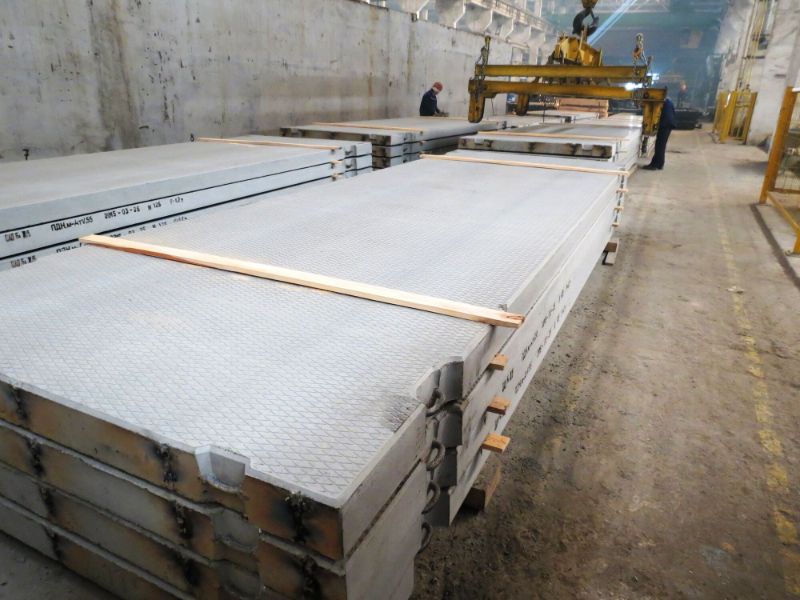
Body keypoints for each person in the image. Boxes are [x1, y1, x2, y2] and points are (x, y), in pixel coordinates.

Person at [644, 93, 677, 170]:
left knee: (660, 145)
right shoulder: (668, 102)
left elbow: (659, 114)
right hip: (667, 125)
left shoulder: (663, 102)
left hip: (665, 125)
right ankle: (658, 164)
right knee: (661, 145)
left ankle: (655, 165)